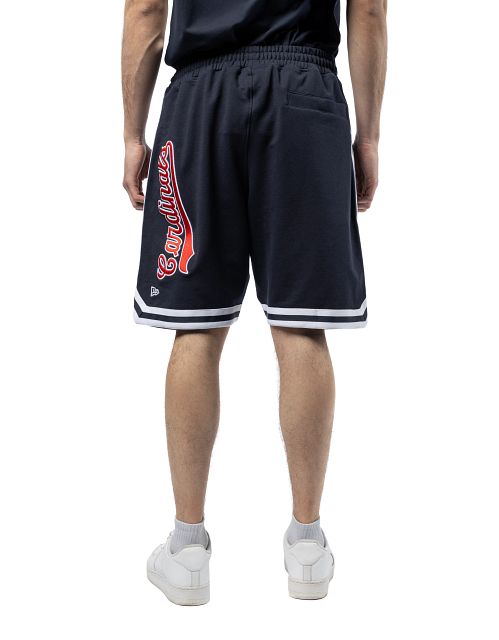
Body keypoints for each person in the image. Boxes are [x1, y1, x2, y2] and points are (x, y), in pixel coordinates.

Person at [122, 0, 387, 605]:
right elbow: (369, 10)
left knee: (195, 327)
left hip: (199, 103)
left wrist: (133, 134)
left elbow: (145, 10)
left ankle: (187, 551)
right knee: (301, 326)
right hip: (304, 96)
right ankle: (308, 547)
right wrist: (369, 136)